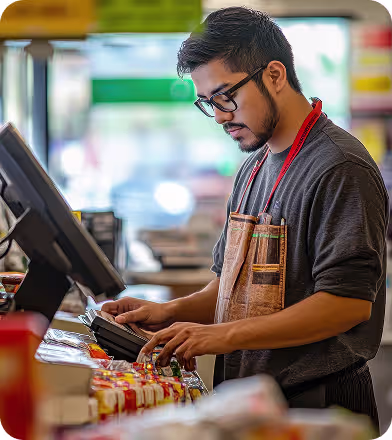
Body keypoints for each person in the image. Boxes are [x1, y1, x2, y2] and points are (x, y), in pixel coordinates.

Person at [103, 7, 388, 431]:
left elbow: (346, 305)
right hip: (251, 398)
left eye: (225, 96)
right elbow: (230, 286)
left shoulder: (340, 167)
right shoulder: (254, 166)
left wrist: (221, 336)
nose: (219, 116)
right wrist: (169, 313)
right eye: (207, 104)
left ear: (274, 75)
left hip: (316, 404)